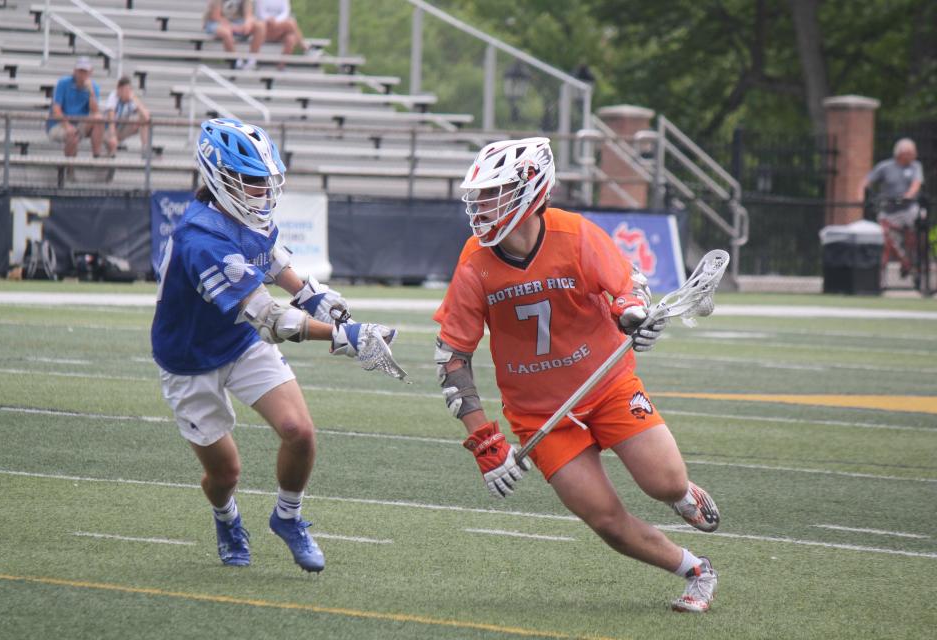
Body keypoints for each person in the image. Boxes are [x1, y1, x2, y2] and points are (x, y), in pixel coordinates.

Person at [433, 137, 721, 613]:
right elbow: (453, 358)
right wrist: (485, 442)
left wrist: (634, 319)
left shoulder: (576, 235)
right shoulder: (474, 262)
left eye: (493, 193)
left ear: (530, 191)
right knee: (604, 518)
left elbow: (625, 293)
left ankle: (682, 494)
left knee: (664, 482)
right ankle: (695, 569)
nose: (481, 206)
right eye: (479, 195)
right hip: (538, 412)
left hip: (607, 385)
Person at [152, 117, 403, 572]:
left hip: (238, 342)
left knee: (300, 432)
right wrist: (343, 336)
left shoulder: (246, 217)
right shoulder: (199, 240)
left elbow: (273, 260)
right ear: (219, 179)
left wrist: (318, 298)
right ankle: (225, 516)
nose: (261, 193)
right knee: (225, 474)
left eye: (263, 182)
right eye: (249, 182)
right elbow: (270, 319)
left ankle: (288, 517)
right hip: (190, 359)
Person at [859, 138, 926, 281]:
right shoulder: (885, 167)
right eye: (911, 153)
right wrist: (861, 196)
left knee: (919, 229)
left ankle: (918, 261)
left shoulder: (915, 166)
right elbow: (866, 181)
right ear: (901, 153)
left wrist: (907, 196)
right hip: (889, 210)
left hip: (909, 208)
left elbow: (916, 184)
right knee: (885, 239)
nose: (914, 155)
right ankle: (895, 266)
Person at [46, 56, 104, 169]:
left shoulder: (94, 87)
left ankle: (97, 158)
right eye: (80, 71)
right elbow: (56, 109)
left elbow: (95, 111)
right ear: (74, 71)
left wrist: (91, 93)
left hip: (80, 123)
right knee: (72, 134)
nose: (82, 74)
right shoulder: (63, 83)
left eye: (85, 71)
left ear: (90, 72)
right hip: (58, 125)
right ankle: (69, 169)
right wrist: (67, 126)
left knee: (99, 118)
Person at [254, 0, 322, 70]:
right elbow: (260, 14)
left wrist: (277, 21)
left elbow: (285, 13)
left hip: (280, 27)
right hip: (265, 29)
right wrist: (271, 20)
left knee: (291, 38)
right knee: (291, 22)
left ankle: (281, 66)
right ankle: (305, 47)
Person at [204, 0, 266, 71]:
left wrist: (247, 24)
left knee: (260, 26)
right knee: (226, 32)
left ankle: (251, 61)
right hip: (216, 22)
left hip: (237, 21)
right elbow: (215, 16)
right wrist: (233, 27)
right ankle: (237, 62)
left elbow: (249, 15)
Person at [102, 75, 151, 158]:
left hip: (120, 129)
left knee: (142, 120)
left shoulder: (131, 98)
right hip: (107, 131)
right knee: (111, 142)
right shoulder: (113, 96)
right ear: (119, 90)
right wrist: (113, 136)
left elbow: (146, 117)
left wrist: (135, 99)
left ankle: (145, 148)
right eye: (126, 90)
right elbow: (111, 119)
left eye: (129, 90)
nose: (128, 93)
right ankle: (110, 154)